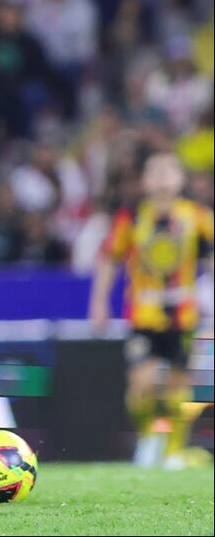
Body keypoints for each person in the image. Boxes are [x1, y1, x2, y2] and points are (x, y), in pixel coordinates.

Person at [89, 152, 214, 469]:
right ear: (144, 180)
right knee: (142, 383)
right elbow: (108, 258)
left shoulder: (197, 217)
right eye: (154, 170)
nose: (161, 176)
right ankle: (148, 438)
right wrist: (99, 302)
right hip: (143, 317)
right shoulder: (131, 218)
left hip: (183, 317)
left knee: (178, 387)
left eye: (168, 169)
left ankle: (172, 450)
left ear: (180, 179)